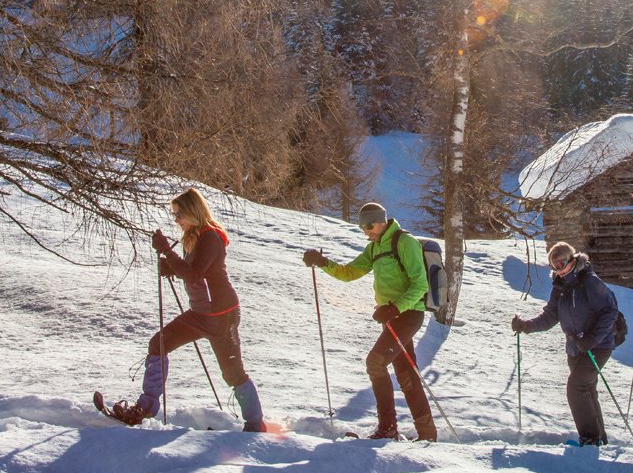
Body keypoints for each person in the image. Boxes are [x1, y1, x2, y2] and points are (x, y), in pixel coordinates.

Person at [105, 188, 266, 431]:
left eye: (179, 214)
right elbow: (195, 272)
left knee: (233, 373)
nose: (176, 219)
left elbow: (195, 273)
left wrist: (168, 253)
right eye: (174, 214)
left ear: (193, 212)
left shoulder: (210, 237)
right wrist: (171, 266)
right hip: (201, 314)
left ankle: (255, 424)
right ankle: (145, 408)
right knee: (158, 344)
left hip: (222, 316)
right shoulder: (195, 236)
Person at [302, 202, 436, 442]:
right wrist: (323, 263)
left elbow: (420, 285)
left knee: (375, 362)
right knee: (406, 374)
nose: (366, 230)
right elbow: (349, 273)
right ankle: (427, 434)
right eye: (362, 226)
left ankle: (388, 428)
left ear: (382, 220)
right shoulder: (375, 248)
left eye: (369, 225)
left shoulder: (404, 242)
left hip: (408, 314)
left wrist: (395, 308)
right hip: (392, 316)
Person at [511, 242, 620, 447]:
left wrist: (592, 338)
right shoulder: (559, 287)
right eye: (554, 266)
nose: (558, 270)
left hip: (598, 345)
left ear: (572, 259)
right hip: (575, 347)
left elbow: (610, 311)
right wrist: (525, 326)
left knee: (576, 387)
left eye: (561, 264)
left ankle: (589, 439)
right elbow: (550, 317)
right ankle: (598, 439)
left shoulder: (589, 281)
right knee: (587, 390)